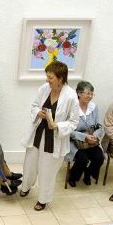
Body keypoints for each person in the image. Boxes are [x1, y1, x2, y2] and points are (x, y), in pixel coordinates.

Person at [20, 61, 80, 211]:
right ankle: (26, 186)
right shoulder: (44, 89)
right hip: (38, 134)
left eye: (51, 77)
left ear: (61, 78)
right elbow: (34, 106)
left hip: (54, 140)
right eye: (47, 76)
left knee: (47, 171)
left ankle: (43, 199)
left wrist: (57, 126)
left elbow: (74, 122)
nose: (47, 80)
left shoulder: (71, 96)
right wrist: (37, 112)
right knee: (30, 164)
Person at [66, 81, 105, 187]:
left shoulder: (94, 107)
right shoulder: (71, 108)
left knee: (99, 158)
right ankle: (72, 176)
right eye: (87, 93)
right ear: (79, 93)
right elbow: (68, 131)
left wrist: (95, 135)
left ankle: (88, 173)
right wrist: (84, 137)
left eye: (92, 94)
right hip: (74, 141)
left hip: (91, 140)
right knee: (83, 159)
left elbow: (99, 126)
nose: (90, 96)